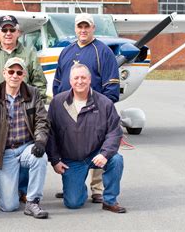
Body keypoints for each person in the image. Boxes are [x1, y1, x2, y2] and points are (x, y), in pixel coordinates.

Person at [0, 15, 47, 204]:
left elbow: (40, 83)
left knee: (24, 144)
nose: (8, 33)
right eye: (4, 30)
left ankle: (24, 189)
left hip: (22, 109)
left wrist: (34, 107)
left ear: (18, 32)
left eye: (12, 30)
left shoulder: (30, 54)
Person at [52, 13, 120, 203]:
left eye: (87, 27)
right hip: (68, 108)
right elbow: (58, 82)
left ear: (93, 28)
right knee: (70, 147)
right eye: (80, 27)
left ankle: (97, 189)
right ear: (75, 29)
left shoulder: (103, 51)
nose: (83, 30)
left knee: (98, 148)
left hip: (94, 110)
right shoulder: (66, 51)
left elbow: (111, 87)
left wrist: (101, 111)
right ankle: (72, 184)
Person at [0, 57, 49, 219]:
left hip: (26, 146)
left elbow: (42, 121)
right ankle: (11, 190)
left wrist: (40, 141)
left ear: (23, 75)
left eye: (19, 72)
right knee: (9, 206)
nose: (14, 75)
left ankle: (32, 201)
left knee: (40, 156)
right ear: (4, 73)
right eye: (11, 71)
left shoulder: (33, 93)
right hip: (4, 153)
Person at [47, 63, 126, 213]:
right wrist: (55, 160)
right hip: (71, 160)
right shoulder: (58, 103)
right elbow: (50, 134)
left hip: (95, 155)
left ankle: (109, 200)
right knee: (73, 203)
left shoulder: (104, 104)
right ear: (70, 81)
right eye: (76, 78)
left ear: (90, 80)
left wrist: (105, 154)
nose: (80, 81)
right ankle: (77, 186)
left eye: (83, 77)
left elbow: (114, 132)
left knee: (116, 159)